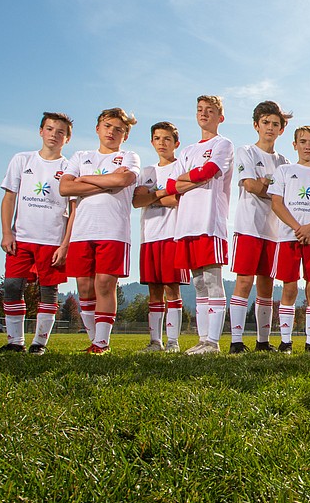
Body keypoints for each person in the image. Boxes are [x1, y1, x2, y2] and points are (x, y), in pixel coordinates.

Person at [58, 108, 141, 354]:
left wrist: (83, 182)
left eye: (119, 129)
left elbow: (122, 181)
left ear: (125, 135)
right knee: (84, 286)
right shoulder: (80, 156)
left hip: (113, 230)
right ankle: (94, 339)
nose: (112, 132)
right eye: (108, 126)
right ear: (97, 128)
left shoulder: (129, 157)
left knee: (104, 283)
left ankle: (101, 344)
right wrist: (104, 182)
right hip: (82, 231)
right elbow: (64, 187)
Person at [0, 112, 77, 354]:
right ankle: (15, 341)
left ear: (67, 139)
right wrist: (6, 232)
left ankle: (39, 343)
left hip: (52, 240)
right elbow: (9, 197)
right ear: (41, 131)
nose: (54, 134)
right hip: (20, 238)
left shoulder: (69, 167)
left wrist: (65, 245)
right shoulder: (22, 160)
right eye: (50, 129)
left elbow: (74, 209)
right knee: (12, 286)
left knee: (48, 292)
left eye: (60, 131)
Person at [167, 95, 235, 356]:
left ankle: (213, 342)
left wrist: (189, 179)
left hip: (210, 222)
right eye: (200, 110)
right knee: (198, 283)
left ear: (221, 117)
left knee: (212, 279)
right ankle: (202, 339)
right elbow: (172, 186)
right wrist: (192, 178)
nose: (204, 114)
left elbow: (209, 172)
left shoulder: (223, 144)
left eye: (210, 110)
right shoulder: (186, 152)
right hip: (186, 224)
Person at [230, 101, 291, 353]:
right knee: (244, 282)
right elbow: (251, 185)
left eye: (275, 124)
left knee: (267, 285)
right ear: (256, 125)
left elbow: (285, 197)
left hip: (273, 230)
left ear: (281, 130)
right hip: (248, 227)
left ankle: (262, 342)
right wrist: (272, 189)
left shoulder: (284, 162)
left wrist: (267, 185)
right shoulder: (246, 152)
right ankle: (235, 342)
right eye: (265, 122)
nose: (270, 127)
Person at [270, 126, 310, 354]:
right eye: (303, 141)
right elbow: (277, 204)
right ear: (294, 144)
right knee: (289, 288)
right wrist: (299, 228)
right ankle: (285, 342)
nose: (307, 146)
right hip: (289, 236)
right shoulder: (284, 171)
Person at [132, 122, 188, 353]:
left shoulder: (181, 170)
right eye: (157, 138)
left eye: (167, 139)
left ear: (176, 143)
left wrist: (151, 197)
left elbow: (179, 200)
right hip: (149, 236)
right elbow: (137, 202)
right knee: (153, 290)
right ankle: (155, 341)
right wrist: (164, 193)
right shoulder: (146, 172)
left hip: (173, 236)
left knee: (172, 288)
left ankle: (173, 342)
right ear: (152, 142)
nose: (162, 143)